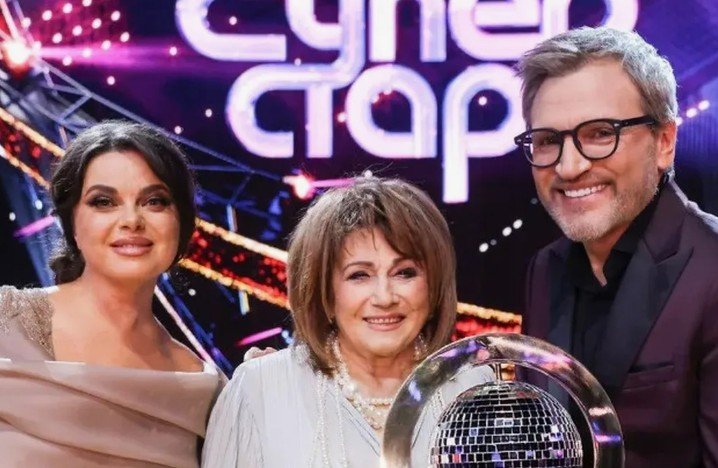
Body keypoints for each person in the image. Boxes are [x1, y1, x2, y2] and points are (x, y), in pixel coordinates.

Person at [516, 27, 718, 466]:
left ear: (664, 142)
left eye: (599, 134)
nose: (569, 167)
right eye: (548, 140)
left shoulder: (712, 270)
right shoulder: (544, 270)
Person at [202, 177, 494, 467]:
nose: (384, 297)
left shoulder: (474, 387)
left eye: (404, 272)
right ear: (325, 293)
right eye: (359, 275)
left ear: (434, 285)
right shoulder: (260, 390)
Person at [0, 121, 224, 467]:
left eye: (155, 201)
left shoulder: (205, 388)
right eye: (104, 202)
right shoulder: (6, 323)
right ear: (71, 222)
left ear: (181, 223)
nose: (132, 220)